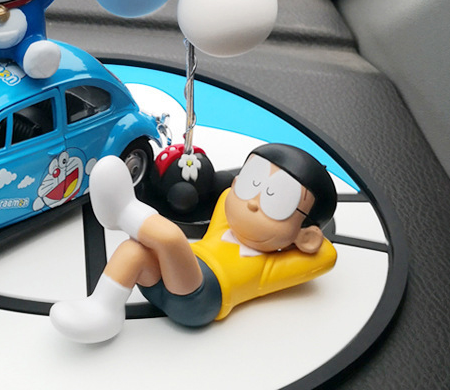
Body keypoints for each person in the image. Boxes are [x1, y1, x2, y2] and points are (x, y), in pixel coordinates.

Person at [50, 143, 338, 343]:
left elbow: (325, 255)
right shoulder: (227, 211)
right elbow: (227, 195)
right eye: (252, 182)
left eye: (276, 200)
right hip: (171, 278)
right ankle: (103, 309)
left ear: (307, 236)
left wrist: (303, 238)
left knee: (171, 237)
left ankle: (125, 213)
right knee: (134, 250)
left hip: (202, 301)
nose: (252, 203)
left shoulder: (271, 266)